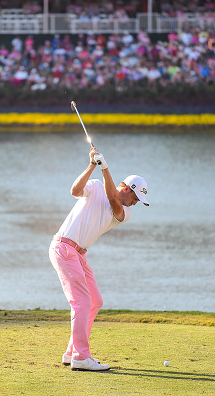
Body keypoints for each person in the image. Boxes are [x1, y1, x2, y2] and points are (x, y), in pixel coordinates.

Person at [49, 147, 149, 371]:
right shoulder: (94, 186)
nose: (136, 202)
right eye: (136, 197)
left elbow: (113, 199)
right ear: (126, 188)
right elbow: (75, 190)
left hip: (79, 254)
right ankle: (81, 357)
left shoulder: (124, 212)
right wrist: (93, 165)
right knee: (82, 302)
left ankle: (71, 352)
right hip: (64, 248)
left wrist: (106, 169)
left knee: (94, 301)